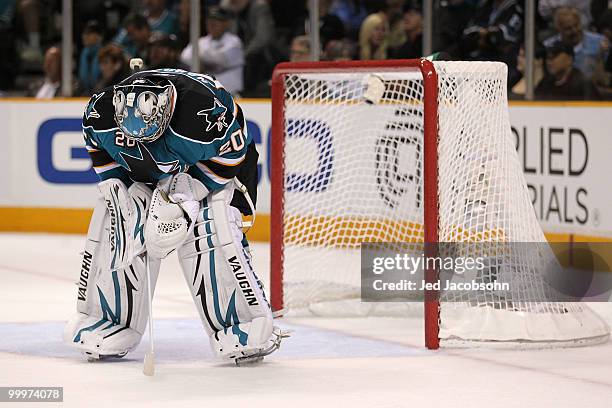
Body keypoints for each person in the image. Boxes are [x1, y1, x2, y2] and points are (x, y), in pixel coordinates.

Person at [64, 66, 284, 364]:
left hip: (209, 167)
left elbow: (232, 156)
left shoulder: (204, 112)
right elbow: (96, 145)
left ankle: (243, 323)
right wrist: (115, 181)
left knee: (210, 225)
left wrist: (189, 194)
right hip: (144, 172)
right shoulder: (100, 112)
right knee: (119, 221)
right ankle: (109, 319)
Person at [180, 6, 244, 95]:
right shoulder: (202, 41)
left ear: (226, 23)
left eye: (217, 20)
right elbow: (184, 56)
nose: (212, 24)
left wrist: (200, 58)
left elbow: (221, 59)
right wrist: (202, 58)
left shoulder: (234, 41)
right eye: (210, 20)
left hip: (231, 94)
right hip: (209, 94)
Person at [543, 7, 608, 85]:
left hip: (593, 89)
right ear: (559, 29)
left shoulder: (600, 42)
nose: (574, 31)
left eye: (576, 25)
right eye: (568, 28)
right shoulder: (549, 46)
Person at [535, 40, 601, 100]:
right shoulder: (546, 82)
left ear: (569, 59)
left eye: (554, 56)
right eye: (547, 57)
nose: (549, 61)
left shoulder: (583, 84)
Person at [78, 21, 104, 96]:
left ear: (99, 36)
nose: (85, 36)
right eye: (84, 33)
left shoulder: (105, 54)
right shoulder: (84, 54)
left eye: (89, 34)